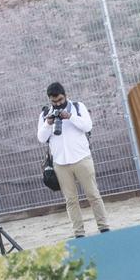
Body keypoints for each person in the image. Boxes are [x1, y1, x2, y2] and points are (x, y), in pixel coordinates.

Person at [38, 81, 110, 237]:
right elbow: (41, 138)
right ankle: (79, 233)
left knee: (93, 195)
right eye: (54, 102)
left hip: (82, 159)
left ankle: (104, 228)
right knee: (71, 200)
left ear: (66, 96)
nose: (58, 104)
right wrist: (47, 124)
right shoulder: (45, 114)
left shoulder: (78, 107)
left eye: (60, 100)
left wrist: (70, 116)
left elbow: (87, 126)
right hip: (60, 164)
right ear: (49, 100)